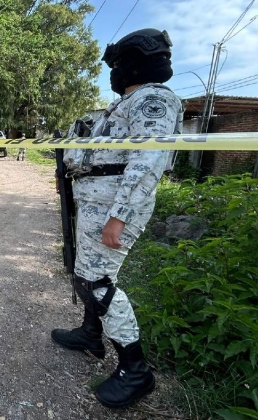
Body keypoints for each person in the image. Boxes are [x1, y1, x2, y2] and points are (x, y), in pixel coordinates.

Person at [51, 28, 183, 409]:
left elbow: (148, 159)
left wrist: (119, 217)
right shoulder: (127, 102)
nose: (114, 72)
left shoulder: (152, 98)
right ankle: (91, 334)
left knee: (98, 282)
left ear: (133, 63)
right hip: (97, 205)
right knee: (84, 274)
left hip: (114, 210)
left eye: (117, 64)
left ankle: (135, 370)